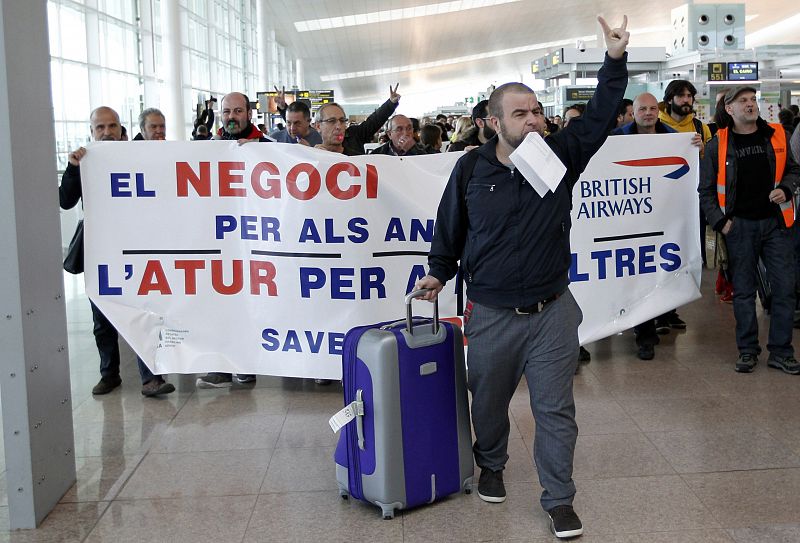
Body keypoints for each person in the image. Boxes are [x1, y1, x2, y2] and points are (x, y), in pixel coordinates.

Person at [415, 15, 630, 540]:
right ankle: (491, 462)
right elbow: (450, 227)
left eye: (536, 111)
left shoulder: (558, 156)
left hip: (553, 312)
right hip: (489, 314)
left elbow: (600, 116)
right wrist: (438, 273)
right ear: (494, 122)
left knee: (555, 409)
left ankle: (559, 500)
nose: (533, 120)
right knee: (486, 403)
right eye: (520, 113)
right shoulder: (471, 169)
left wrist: (615, 60)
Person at [59, 106, 175, 397]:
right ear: (91, 132)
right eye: (100, 128)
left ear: (122, 131)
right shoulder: (84, 162)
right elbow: (65, 201)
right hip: (101, 252)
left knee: (143, 312)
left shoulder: (138, 156)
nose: (107, 133)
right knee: (102, 318)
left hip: (137, 250)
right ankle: (109, 374)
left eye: (112, 127)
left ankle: (152, 378)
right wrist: (73, 169)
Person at [699, 85, 800, 375]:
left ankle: (781, 351)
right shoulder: (719, 144)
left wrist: (786, 188)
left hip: (776, 224)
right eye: (742, 101)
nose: (750, 104)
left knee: (784, 289)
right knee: (743, 291)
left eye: (753, 99)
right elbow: (705, 190)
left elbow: (794, 170)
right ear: (729, 109)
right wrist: (721, 222)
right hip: (739, 226)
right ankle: (747, 350)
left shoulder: (777, 135)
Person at [611, 92, 702, 360]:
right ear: (633, 112)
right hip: (627, 220)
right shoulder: (616, 140)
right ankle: (635, 330)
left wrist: (696, 149)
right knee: (630, 277)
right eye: (643, 109)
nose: (648, 113)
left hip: (660, 221)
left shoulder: (675, 139)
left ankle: (649, 330)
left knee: (651, 275)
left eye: (653, 108)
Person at [656, 79, 713, 332]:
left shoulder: (700, 127)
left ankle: (671, 308)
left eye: (690, 96)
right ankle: (654, 311)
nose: (687, 100)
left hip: (690, 201)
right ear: (670, 99)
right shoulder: (655, 123)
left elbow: (709, 164)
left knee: (681, 252)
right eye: (681, 96)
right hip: (659, 202)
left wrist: (703, 151)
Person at [313, 84, 400, 156]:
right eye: (331, 121)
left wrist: (390, 103)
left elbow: (374, 121)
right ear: (318, 126)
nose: (339, 126)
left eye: (342, 120)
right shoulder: (313, 156)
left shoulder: (354, 136)